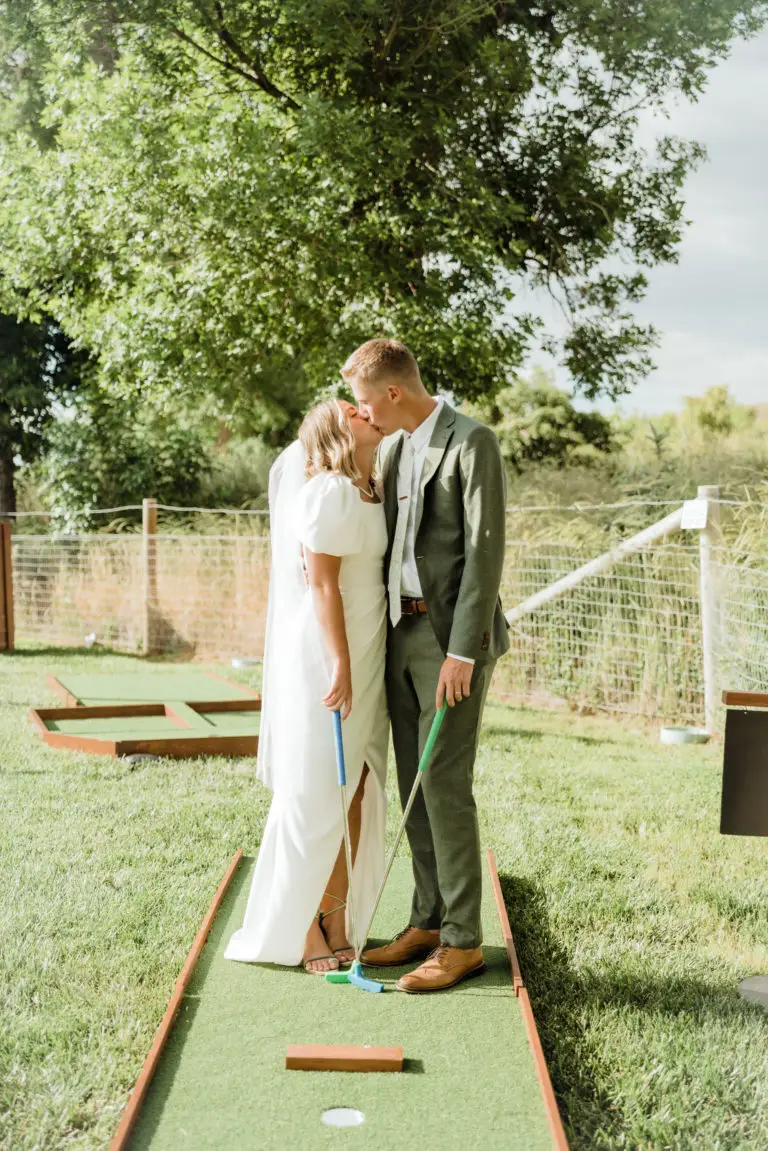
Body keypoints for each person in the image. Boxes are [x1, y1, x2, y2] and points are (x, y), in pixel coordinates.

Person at [344, 338, 510, 993]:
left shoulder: (473, 442)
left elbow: (484, 551)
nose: (360, 412)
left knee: (442, 781)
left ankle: (464, 941)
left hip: (450, 643)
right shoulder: (390, 448)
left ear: (392, 392)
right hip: (398, 633)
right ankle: (427, 920)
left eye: (363, 399)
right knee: (411, 776)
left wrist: (463, 650)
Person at [224, 399, 389, 974]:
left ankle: (336, 918)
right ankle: (299, 930)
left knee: (357, 790)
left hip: (369, 654)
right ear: (335, 431)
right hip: (328, 655)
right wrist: (338, 662)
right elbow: (321, 586)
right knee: (315, 792)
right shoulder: (327, 493)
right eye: (353, 408)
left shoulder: (373, 488)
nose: (366, 409)